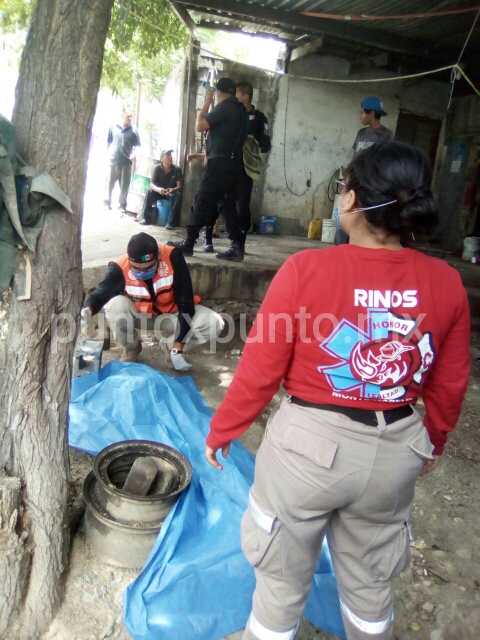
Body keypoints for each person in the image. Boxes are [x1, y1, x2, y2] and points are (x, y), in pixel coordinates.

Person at [204, 142, 470, 640]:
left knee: (281, 578)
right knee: (371, 586)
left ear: (351, 201)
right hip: (395, 451)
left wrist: (224, 430)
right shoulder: (447, 283)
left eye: (342, 187)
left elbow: (260, 370)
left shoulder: (307, 270)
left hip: (307, 451)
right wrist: (432, 439)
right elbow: (449, 383)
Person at [81, 232, 224, 370]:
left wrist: (178, 347)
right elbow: (101, 293)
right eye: (137, 269)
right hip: (140, 315)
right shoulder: (120, 267)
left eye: (149, 267)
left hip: (171, 315)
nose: (143, 273)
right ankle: (132, 348)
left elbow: (186, 304)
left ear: (159, 257)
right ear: (129, 260)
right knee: (115, 305)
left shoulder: (173, 257)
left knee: (214, 323)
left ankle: (169, 347)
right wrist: (88, 310)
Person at [167, 77, 247, 258]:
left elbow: (199, 125)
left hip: (219, 165)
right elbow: (243, 143)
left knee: (202, 200)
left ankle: (188, 242)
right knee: (228, 205)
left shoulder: (224, 107)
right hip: (234, 164)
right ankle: (237, 246)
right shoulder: (241, 110)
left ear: (219, 93)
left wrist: (206, 103)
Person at [215, 82, 272, 262]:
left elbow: (266, 144)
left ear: (246, 96)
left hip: (246, 170)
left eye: (237, 94)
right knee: (225, 202)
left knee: (242, 206)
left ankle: (240, 243)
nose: (235, 98)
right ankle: (235, 243)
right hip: (229, 166)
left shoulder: (260, 118)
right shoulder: (233, 114)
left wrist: (252, 141)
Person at [335, 96, 394, 246]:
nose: (360, 116)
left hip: (372, 186)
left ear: (372, 113)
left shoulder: (387, 135)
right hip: (355, 181)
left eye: (363, 113)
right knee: (344, 217)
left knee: (366, 220)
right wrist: (347, 177)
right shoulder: (361, 133)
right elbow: (355, 157)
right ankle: (341, 250)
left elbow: (387, 162)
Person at [103, 110, 141, 213]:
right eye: (128, 116)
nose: (129, 118)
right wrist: (106, 154)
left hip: (126, 163)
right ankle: (107, 203)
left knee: (124, 185)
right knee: (109, 183)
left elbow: (138, 146)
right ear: (122, 116)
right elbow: (108, 142)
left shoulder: (133, 131)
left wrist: (134, 154)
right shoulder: (113, 128)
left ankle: (122, 205)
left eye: (131, 116)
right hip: (113, 161)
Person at [138, 149, 183, 229]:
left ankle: (170, 223)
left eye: (170, 155)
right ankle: (145, 218)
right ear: (161, 159)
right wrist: (159, 190)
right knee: (149, 191)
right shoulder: (157, 168)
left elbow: (179, 186)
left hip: (170, 193)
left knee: (177, 195)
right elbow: (151, 184)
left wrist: (173, 189)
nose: (170, 157)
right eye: (167, 155)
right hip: (159, 192)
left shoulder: (177, 169)